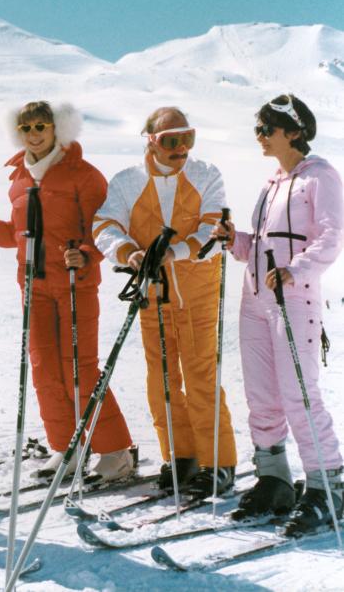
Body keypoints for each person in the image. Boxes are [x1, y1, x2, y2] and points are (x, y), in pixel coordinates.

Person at [0, 101, 135, 483]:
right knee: (44, 370)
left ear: (57, 129)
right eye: (26, 127)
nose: (34, 133)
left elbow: (103, 230)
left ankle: (116, 452)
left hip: (75, 286)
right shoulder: (19, 180)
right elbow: (16, 235)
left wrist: (86, 255)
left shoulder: (84, 176)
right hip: (34, 288)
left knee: (79, 368)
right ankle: (67, 447)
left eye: (41, 125)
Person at [93, 107, 237, 497]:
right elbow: (104, 225)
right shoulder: (127, 182)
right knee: (162, 379)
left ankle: (218, 461)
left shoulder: (206, 175)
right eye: (171, 140)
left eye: (187, 138)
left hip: (198, 292)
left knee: (202, 374)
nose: (181, 149)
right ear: (151, 141)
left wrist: (176, 252)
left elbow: (213, 227)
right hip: (153, 294)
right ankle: (181, 454)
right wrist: (127, 252)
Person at [217, 94, 343, 533]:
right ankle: (274, 479)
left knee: (299, 394)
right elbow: (263, 247)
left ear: (294, 131)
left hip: (294, 295)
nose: (260, 137)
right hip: (256, 297)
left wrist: (298, 270)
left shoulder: (320, 177)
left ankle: (328, 487)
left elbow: (331, 235)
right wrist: (236, 239)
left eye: (266, 129)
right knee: (262, 394)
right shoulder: (272, 183)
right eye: (258, 129)